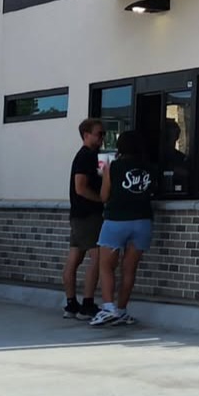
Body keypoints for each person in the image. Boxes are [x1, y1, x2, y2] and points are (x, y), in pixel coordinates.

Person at [89, 131, 157, 327]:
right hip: (143, 220)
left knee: (106, 265)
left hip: (116, 220)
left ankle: (108, 308)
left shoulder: (114, 167)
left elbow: (103, 196)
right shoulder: (150, 168)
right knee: (129, 269)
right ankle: (122, 310)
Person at [62, 117, 105, 319]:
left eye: (103, 134)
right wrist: (101, 200)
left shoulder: (92, 156)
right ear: (86, 135)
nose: (102, 138)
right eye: (99, 134)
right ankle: (87, 304)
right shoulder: (85, 156)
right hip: (88, 215)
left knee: (75, 257)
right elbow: (80, 187)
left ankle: (71, 304)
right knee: (97, 258)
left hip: (79, 215)